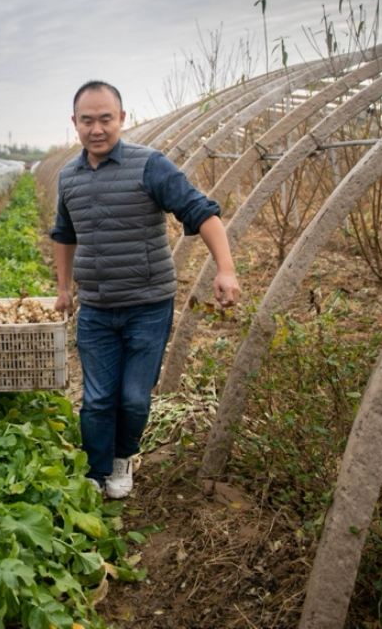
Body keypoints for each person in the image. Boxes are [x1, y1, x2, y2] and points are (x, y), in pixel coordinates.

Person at [50, 80, 240, 498]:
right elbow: (64, 234)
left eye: (105, 119)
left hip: (148, 305)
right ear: (74, 124)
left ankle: (122, 458)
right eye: (87, 121)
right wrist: (64, 289)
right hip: (97, 307)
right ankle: (96, 474)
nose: (96, 129)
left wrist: (224, 269)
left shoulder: (150, 165)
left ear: (121, 118)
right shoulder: (69, 177)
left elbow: (200, 211)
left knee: (134, 398)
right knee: (98, 398)